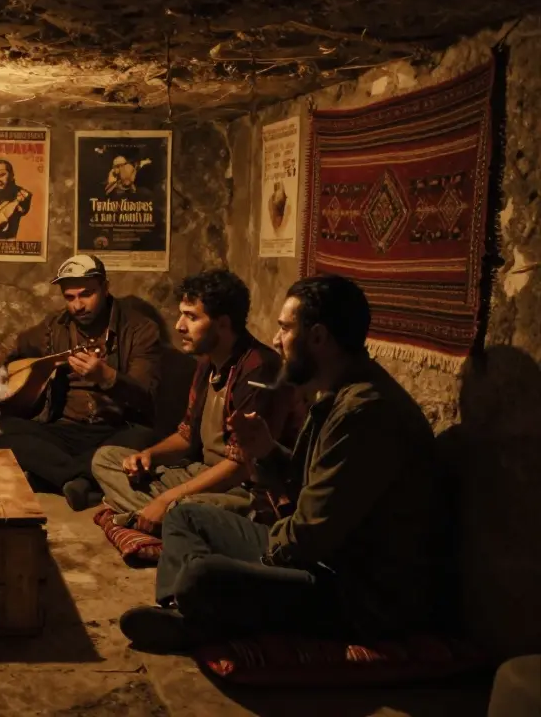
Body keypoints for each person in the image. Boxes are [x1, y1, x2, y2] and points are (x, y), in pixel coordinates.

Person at [118, 275, 447, 653]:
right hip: (318, 555)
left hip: (357, 591)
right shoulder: (335, 395)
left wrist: (254, 559)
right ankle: (185, 613)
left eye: (285, 328)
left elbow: (309, 537)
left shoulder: (364, 411)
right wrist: (267, 451)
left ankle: (194, 611)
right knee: (185, 517)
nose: (276, 340)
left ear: (318, 338)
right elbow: (307, 485)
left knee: (202, 573)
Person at [91, 269, 293, 534]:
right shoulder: (207, 362)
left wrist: (167, 498)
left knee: (182, 509)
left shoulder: (259, 369)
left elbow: (241, 466)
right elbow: (187, 436)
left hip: (244, 490)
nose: (179, 326)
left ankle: (157, 517)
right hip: (201, 474)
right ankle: (156, 519)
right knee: (106, 459)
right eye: (182, 314)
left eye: (191, 316)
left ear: (223, 323)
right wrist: (149, 455)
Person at [0, 255, 162, 510]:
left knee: (147, 440)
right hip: (63, 430)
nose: (78, 305)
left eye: (86, 294)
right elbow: (7, 347)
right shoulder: (55, 326)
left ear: (105, 287)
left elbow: (147, 396)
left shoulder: (140, 329)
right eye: (70, 298)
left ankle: (50, 475)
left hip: (115, 430)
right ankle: (79, 479)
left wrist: (106, 376)